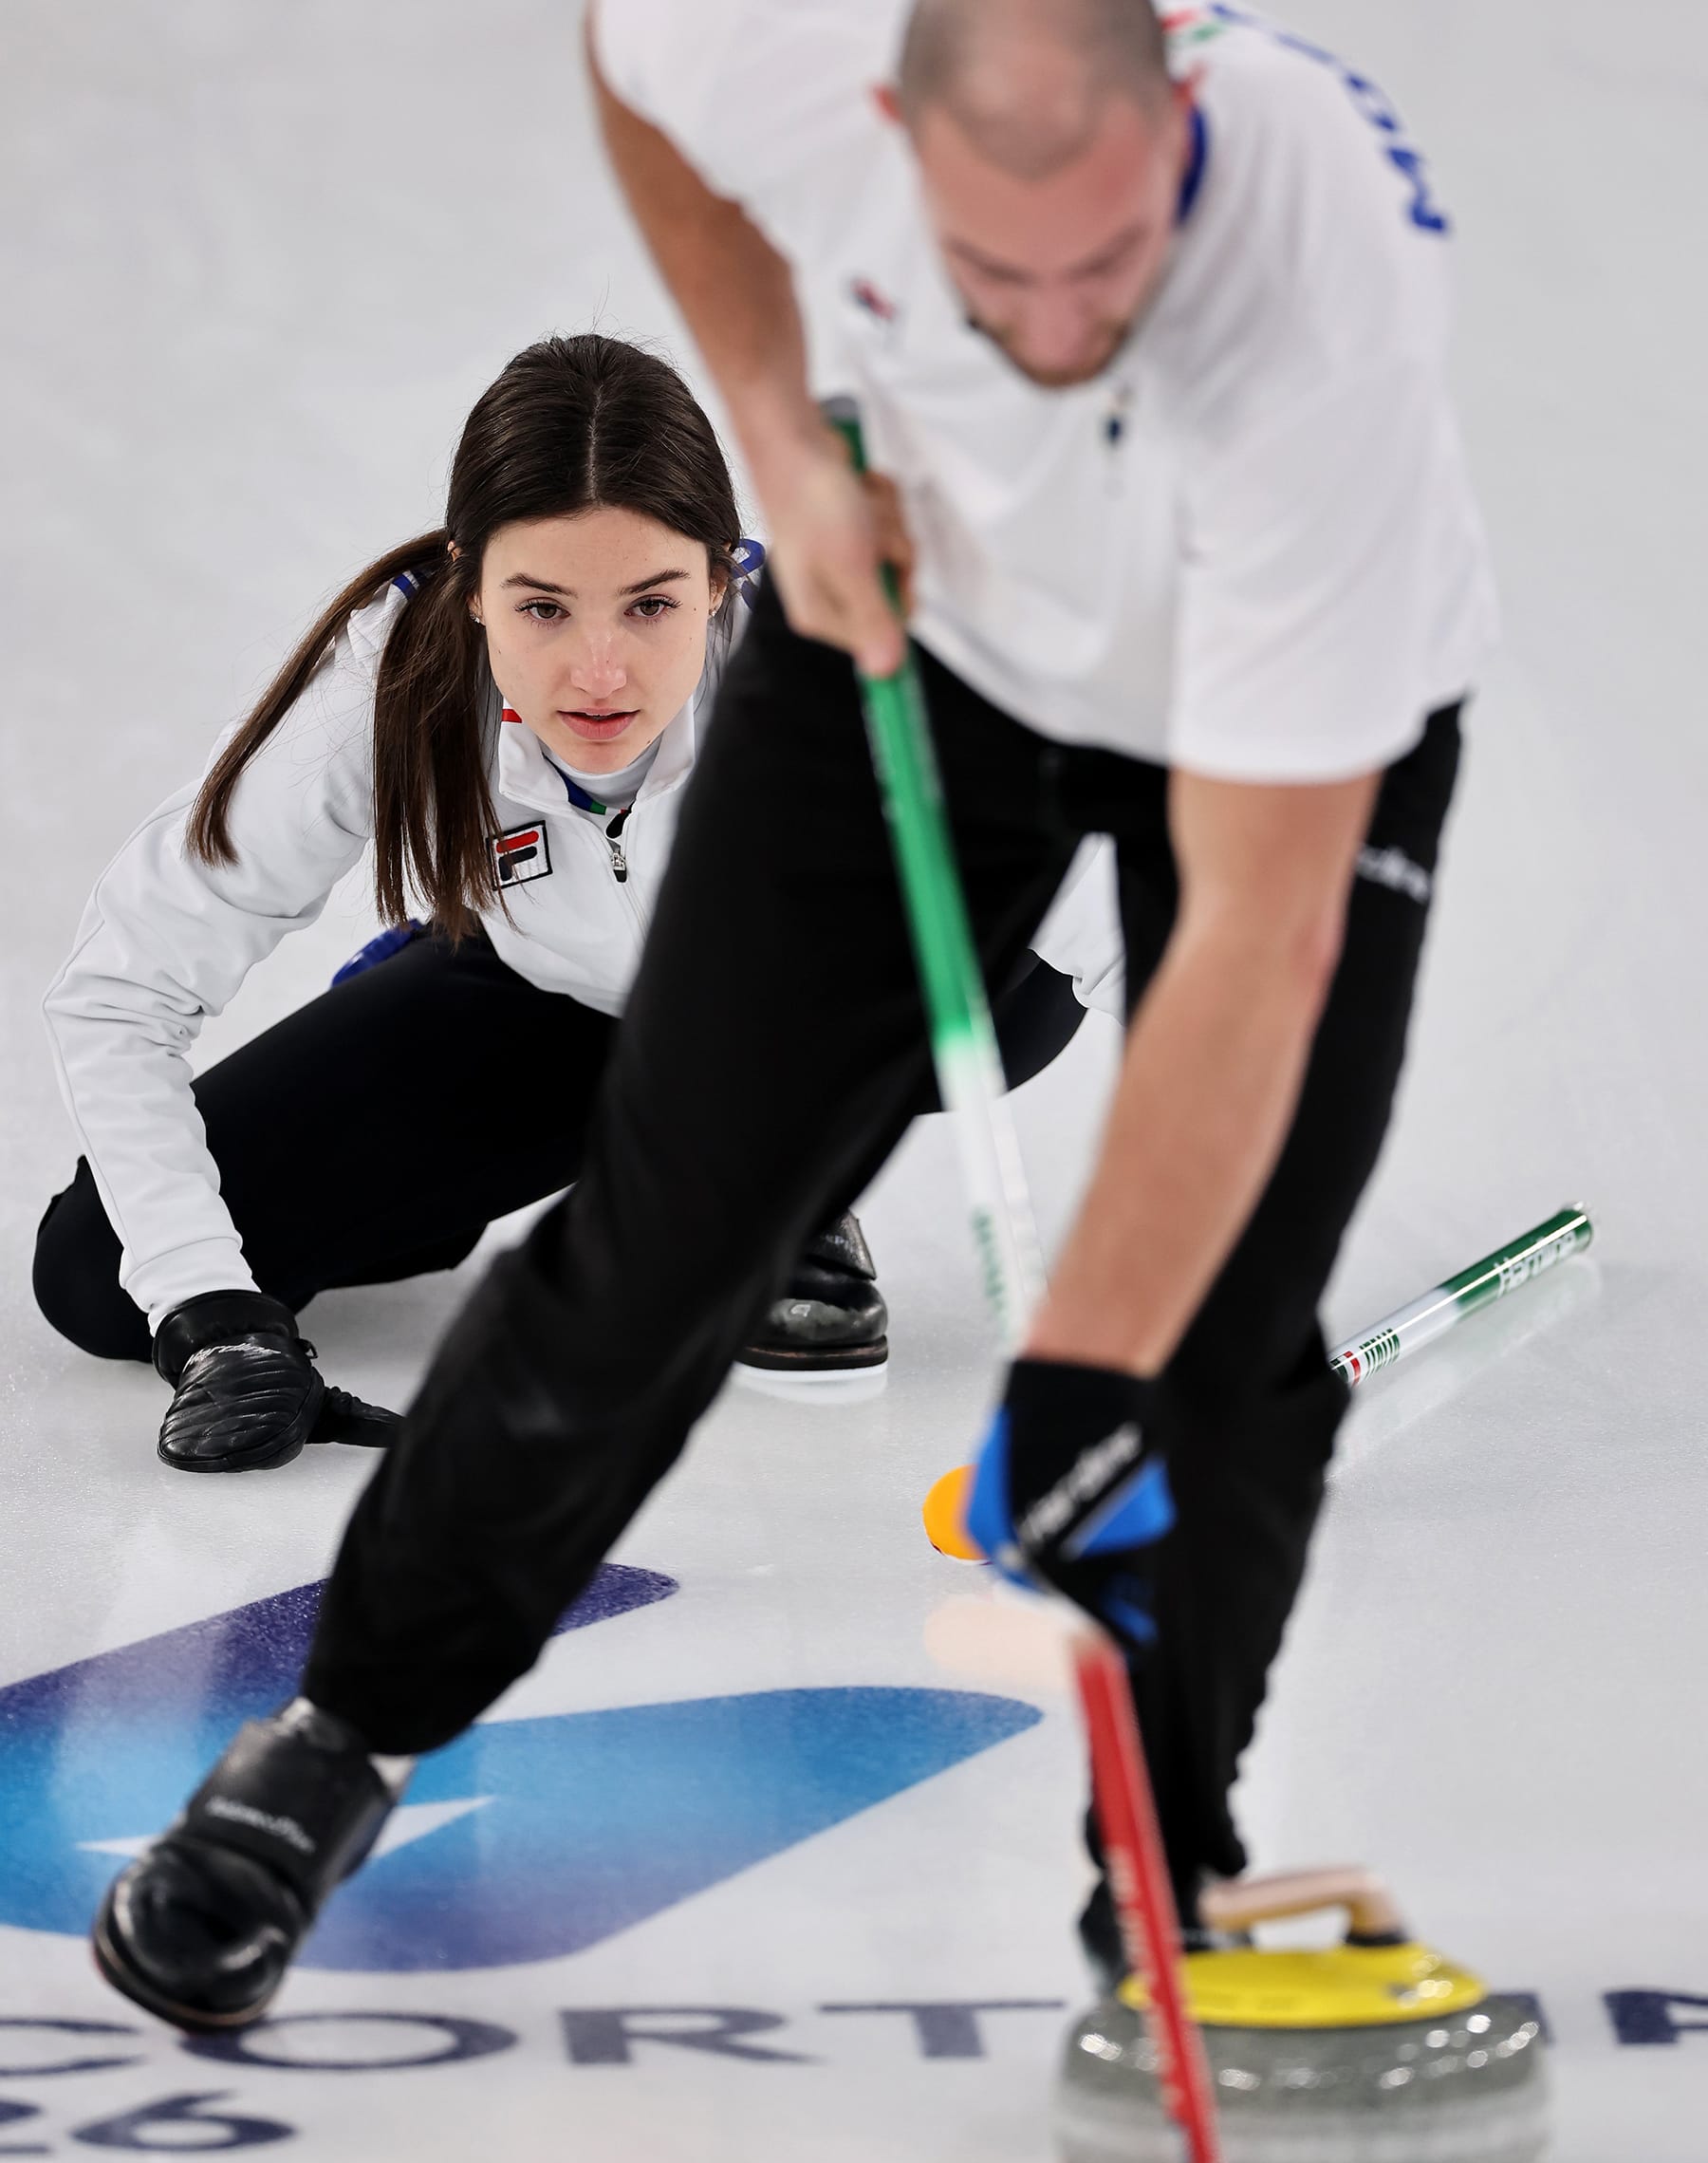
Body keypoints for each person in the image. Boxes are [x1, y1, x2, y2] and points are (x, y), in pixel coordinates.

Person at [91, 0, 1495, 2032]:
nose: (1053, 332)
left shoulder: (1319, 318)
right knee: (665, 1228)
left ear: (1185, 116)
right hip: (923, 630)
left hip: (1264, 709)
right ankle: (338, 1740)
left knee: (1215, 1316)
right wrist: (774, 408)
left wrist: (1084, 1364)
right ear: (886, 142)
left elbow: (1257, 945)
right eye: (990, 281)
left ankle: (1167, 1854)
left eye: (1106, 269)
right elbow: (625, 60)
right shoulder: (779, 53)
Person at [34, 329, 1099, 1476]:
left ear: (723, 573)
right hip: (567, 998)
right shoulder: (391, 682)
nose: (600, 672)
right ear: (472, 582)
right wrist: (210, 1309)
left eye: (650, 606)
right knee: (99, 1276)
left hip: (863, 1006)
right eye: (543, 608)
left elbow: (1165, 941)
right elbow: (124, 989)